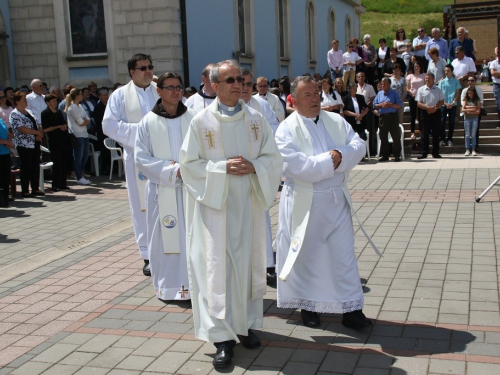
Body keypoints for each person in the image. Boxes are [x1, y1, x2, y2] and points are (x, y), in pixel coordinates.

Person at [179, 60, 283, 368]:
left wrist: (256, 166)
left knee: (246, 266)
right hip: (215, 209)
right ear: (214, 85)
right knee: (216, 270)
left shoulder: (256, 119)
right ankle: (222, 338)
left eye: (240, 79)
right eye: (229, 80)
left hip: (247, 206)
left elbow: (272, 157)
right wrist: (222, 167)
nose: (237, 85)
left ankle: (246, 325)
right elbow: (189, 166)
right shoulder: (200, 122)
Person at [274, 75, 371, 332]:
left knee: (344, 255)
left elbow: (358, 145)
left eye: (317, 93)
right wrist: (332, 161)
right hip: (304, 202)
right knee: (309, 256)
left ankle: (351, 309)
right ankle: (310, 307)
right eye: (308, 94)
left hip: (336, 199)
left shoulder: (335, 120)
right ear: (293, 100)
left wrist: (341, 155)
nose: (315, 98)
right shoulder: (285, 129)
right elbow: (296, 166)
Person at [135, 72, 195, 303]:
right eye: (169, 87)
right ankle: (169, 288)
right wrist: (173, 171)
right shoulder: (148, 122)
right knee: (165, 240)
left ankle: (193, 286)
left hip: (191, 190)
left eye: (178, 87)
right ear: (158, 91)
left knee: (191, 238)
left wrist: (190, 169)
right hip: (162, 191)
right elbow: (141, 158)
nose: (175, 91)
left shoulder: (194, 118)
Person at [102, 53, 160, 276]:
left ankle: (170, 250)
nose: (148, 71)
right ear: (132, 72)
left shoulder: (161, 89)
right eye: (143, 67)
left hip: (164, 157)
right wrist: (143, 133)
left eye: (150, 66)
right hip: (137, 158)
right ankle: (147, 255)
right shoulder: (120, 95)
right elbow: (109, 125)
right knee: (141, 207)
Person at [10, 91, 45, 197]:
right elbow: (21, 129)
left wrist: (39, 133)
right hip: (24, 144)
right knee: (26, 167)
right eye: (23, 99)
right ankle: (25, 190)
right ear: (17, 101)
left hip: (35, 143)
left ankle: (35, 188)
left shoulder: (29, 111)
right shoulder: (15, 114)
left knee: (35, 165)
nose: (26, 101)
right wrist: (36, 133)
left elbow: (38, 123)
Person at [41, 94, 69, 191]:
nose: (55, 103)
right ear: (47, 103)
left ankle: (63, 183)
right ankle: (55, 184)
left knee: (63, 162)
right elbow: (45, 129)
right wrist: (58, 127)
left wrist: (64, 126)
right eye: (52, 101)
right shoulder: (45, 113)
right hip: (54, 141)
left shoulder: (59, 112)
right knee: (57, 163)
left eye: (55, 101)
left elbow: (63, 122)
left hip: (63, 140)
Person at [373, 77, 403, 162]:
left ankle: (397, 155)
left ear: (389, 84)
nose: (382, 85)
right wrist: (381, 105)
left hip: (392, 116)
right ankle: (384, 155)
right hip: (383, 117)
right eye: (382, 84)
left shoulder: (394, 93)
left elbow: (399, 105)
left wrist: (390, 105)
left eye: (384, 84)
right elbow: (374, 105)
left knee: (395, 136)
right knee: (383, 136)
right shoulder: (379, 94)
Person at [416, 73, 445, 159]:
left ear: (433, 79)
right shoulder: (421, 89)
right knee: (424, 133)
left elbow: (442, 101)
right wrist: (427, 108)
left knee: (436, 133)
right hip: (425, 113)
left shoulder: (438, 89)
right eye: (426, 78)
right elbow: (418, 103)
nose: (427, 80)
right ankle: (424, 152)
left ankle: (435, 152)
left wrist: (435, 108)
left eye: (429, 78)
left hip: (436, 112)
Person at [66, 88, 91, 185]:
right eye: (80, 94)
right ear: (76, 96)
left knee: (85, 156)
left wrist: (84, 121)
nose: (82, 96)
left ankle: (80, 173)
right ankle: (78, 176)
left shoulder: (80, 106)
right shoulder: (71, 108)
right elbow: (80, 122)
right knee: (78, 156)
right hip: (77, 134)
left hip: (84, 133)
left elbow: (87, 118)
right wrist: (84, 121)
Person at [438, 64, 462, 147]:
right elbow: (439, 94)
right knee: (442, 122)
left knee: (451, 122)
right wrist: (444, 103)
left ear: (452, 71)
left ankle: (450, 139)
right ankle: (442, 139)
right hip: (443, 104)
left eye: (448, 71)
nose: (446, 72)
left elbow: (457, 93)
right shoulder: (441, 82)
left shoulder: (456, 81)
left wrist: (453, 102)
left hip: (453, 104)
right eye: (445, 71)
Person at [461, 76, 484, 153]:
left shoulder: (479, 90)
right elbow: (462, 102)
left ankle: (475, 147)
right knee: (467, 132)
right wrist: (472, 108)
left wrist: (469, 108)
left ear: (475, 81)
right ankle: (467, 148)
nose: (470, 82)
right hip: (467, 115)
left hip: (475, 114)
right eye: (469, 80)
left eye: (472, 80)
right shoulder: (465, 90)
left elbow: (481, 101)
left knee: (475, 131)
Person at [357, 72, 376, 153]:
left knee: (369, 130)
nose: (361, 78)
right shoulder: (355, 87)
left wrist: (365, 106)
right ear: (357, 78)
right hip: (357, 112)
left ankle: (370, 151)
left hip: (367, 111)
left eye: (362, 76)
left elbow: (372, 98)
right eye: (359, 77)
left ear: (365, 78)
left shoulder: (369, 87)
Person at [406, 61, 426, 140]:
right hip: (412, 97)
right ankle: (412, 132)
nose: (416, 67)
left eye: (417, 66)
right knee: (413, 115)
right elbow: (407, 88)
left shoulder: (424, 75)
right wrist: (412, 94)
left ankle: (421, 132)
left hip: (421, 98)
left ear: (420, 67)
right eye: (415, 66)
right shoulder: (410, 76)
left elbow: (425, 86)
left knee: (421, 115)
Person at [93, 87, 110, 175]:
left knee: (110, 152)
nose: (106, 97)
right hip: (102, 132)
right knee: (104, 152)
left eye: (106, 95)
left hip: (110, 132)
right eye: (104, 95)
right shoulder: (98, 107)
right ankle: (104, 169)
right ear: (99, 97)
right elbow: (99, 120)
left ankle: (111, 167)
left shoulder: (109, 105)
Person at [462, 88, 481, 156]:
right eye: (469, 93)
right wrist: (473, 108)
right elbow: (463, 109)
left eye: (471, 93)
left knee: (473, 134)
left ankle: (473, 149)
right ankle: (467, 149)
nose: (470, 95)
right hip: (467, 118)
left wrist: (468, 109)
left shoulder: (477, 100)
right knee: (467, 135)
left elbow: (478, 111)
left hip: (474, 118)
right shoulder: (466, 100)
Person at [0, 118, 14, 206]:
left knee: (5, 176)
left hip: (5, 152)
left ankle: (5, 195)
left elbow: (7, 133)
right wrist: (5, 141)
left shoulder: (0, 120)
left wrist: (9, 140)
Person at [490, 47, 500, 127]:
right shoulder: (493, 62)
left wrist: (498, 74)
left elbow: (496, 73)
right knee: (499, 104)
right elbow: (492, 73)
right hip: (497, 85)